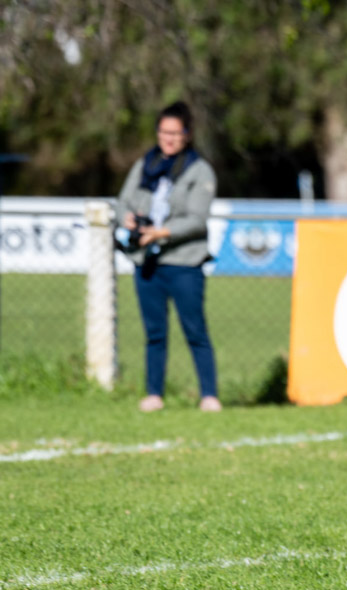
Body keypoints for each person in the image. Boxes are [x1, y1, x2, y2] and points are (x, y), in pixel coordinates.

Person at [115, 101, 221, 412]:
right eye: (164, 132)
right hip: (147, 262)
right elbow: (123, 201)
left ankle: (209, 395)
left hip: (184, 263)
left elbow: (197, 218)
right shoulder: (145, 164)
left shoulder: (200, 171)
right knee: (154, 332)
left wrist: (161, 232)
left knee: (195, 330)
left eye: (175, 133)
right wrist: (130, 220)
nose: (169, 139)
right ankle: (154, 394)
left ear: (187, 134)